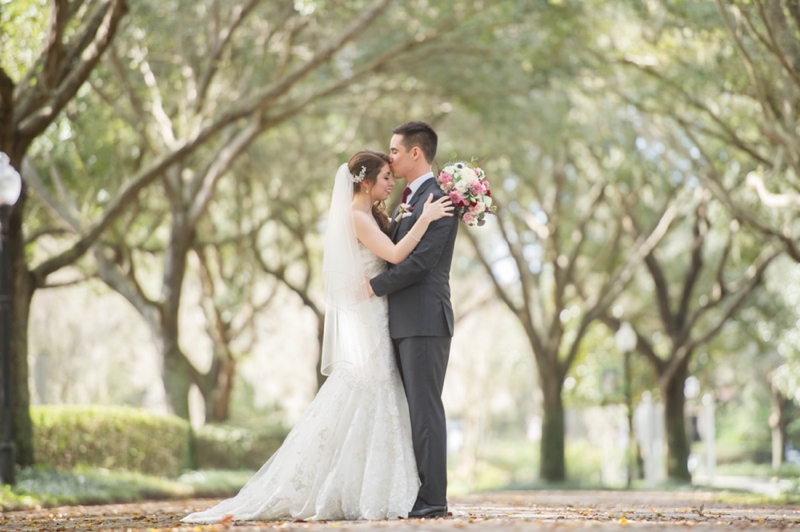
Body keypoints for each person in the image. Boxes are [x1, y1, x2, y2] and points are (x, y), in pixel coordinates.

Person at [182, 149, 453, 523]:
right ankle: (354, 487)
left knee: (377, 398)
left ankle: (374, 484)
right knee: (370, 392)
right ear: (366, 181)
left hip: (381, 313)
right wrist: (424, 219)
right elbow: (394, 254)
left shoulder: (370, 214)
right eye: (386, 177)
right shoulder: (356, 217)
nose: (393, 183)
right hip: (372, 318)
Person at [368, 121, 458, 519]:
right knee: (410, 410)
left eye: (395, 151)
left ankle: (434, 499)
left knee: (425, 409)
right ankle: (416, 490)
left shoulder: (439, 199)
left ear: (415, 153)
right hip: (405, 321)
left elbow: (421, 263)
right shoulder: (411, 199)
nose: (390, 157)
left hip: (424, 320)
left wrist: (376, 286)